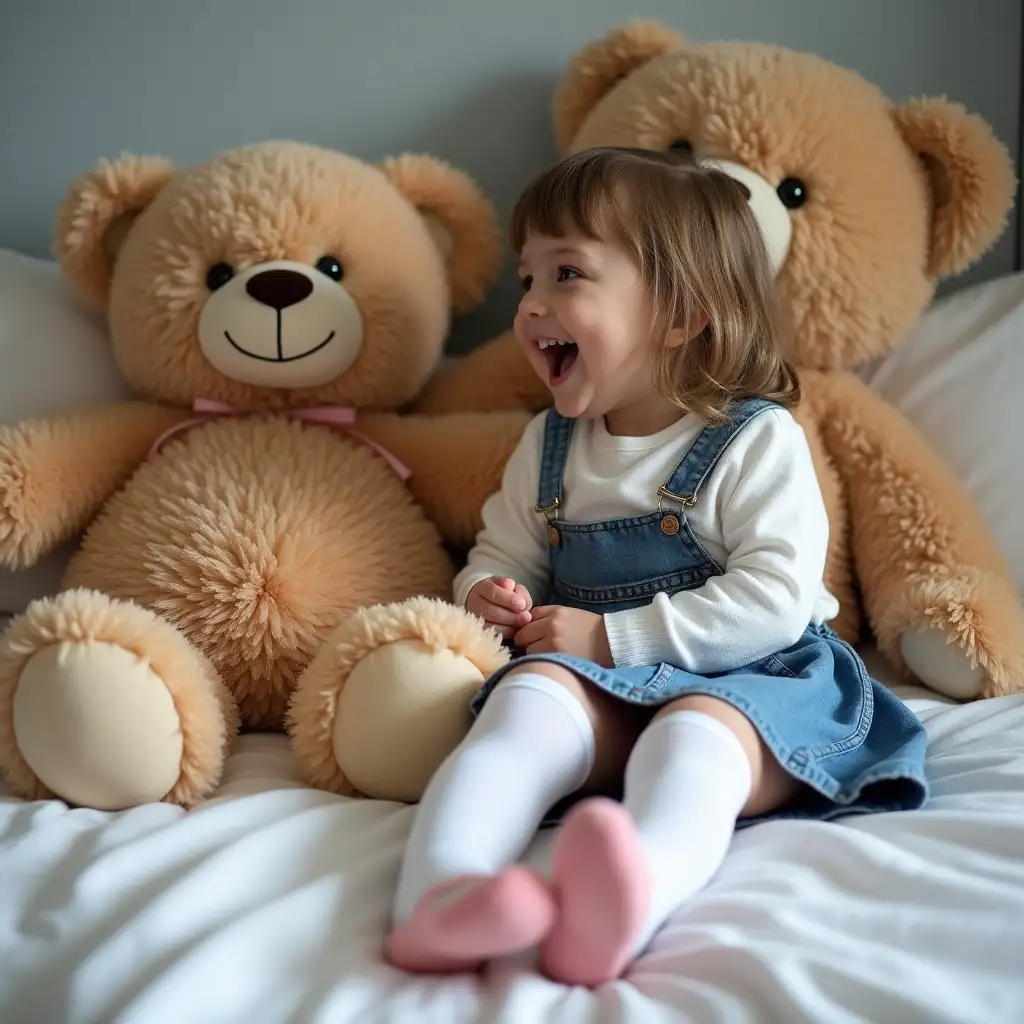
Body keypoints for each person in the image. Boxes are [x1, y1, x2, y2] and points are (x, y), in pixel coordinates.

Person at [385, 146, 929, 987]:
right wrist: (489, 594)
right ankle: (441, 895)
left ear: (681, 314)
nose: (531, 307)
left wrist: (616, 635)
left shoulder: (753, 440)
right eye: (528, 279)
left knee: (693, 746)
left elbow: (777, 598)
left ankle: (627, 902)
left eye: (566, 274)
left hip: (752, 679)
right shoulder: (550, 443)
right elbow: (502, 551)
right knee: (521, 709)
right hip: (595, 680)